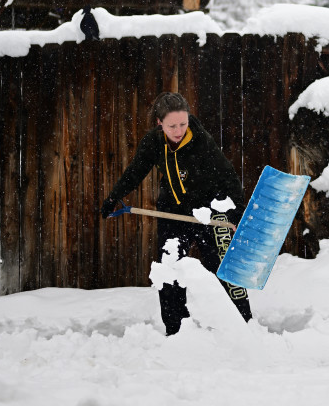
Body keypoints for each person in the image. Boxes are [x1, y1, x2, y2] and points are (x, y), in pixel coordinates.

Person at [100, 91, 252, 335]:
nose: (179, 130)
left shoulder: (201, 141)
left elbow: (228, 176)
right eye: (172, 125)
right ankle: (177, 332)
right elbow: (135, 171)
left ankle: (244, 326)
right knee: (170, 269)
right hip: (173, 213)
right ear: (159, 123)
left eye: (183, 123)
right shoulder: (153, 142)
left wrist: (237, 211)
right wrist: (113, 197)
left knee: (221, 267)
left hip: (207, 212)